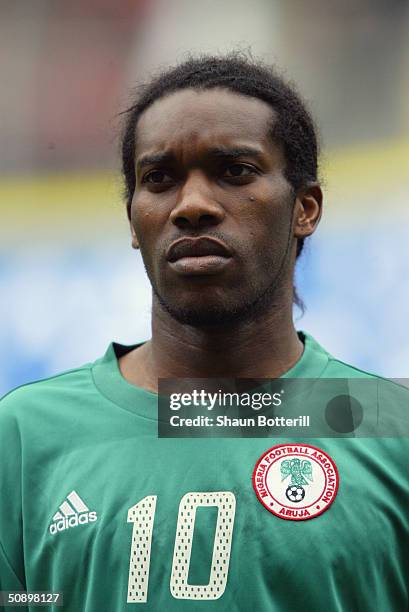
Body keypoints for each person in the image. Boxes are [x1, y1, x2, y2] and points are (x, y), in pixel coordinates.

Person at [0, 53, 408, 611]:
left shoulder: (389, 426)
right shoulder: (26, 435)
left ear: (305, 208)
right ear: (133, 221)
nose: (191, 206)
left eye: (234, 171)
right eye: (159, 179)